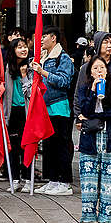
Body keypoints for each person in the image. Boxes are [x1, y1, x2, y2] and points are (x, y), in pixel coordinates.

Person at [76, 55, 111, 223]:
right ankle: (88, 218)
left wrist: (93, 117)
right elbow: (84, 109)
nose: (99, 71)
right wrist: (94, 92)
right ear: (90, 72)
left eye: (102, 67)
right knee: (89, 180)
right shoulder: (84, 89)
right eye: (95, 68)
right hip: (90, 139)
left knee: (109, 182)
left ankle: (106, 218)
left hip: (109, 138)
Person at [30, 28, 75, 195]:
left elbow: (64, 81)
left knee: (61, 145)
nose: (41, 40)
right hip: (44, 107)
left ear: (53, 38)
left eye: (44, 36)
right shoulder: (42, 57)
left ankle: (65, 182)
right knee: (49, 146)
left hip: (59, 107)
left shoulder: (63, 58)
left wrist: (44, 72)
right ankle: (53, 180)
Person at [0, 37, 32, 191]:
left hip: (26, 112)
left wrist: (24, 77)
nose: (23, 50)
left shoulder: (31, 68)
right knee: (13, 147)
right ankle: (15, 178)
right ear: (13, 50)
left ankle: (28, 179)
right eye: (19, 47)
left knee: (27, 146)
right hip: (11, 113)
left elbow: (31, 93)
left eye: (25, 47)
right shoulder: (6, 68)